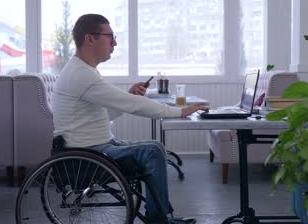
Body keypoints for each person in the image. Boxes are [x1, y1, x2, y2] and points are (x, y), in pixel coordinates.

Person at [51, 13, 207, 224]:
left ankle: (159, 215)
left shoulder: (82, 71)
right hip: (91, 152)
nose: (114, 43)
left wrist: (130, 96)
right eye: (110, 36)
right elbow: (132, 105)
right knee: (153, 150)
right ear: (90, 39)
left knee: (154, 148)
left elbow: (105, 113)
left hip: (94, 146)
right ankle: (158, 218)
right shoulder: (82, 74)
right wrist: (179, 111)